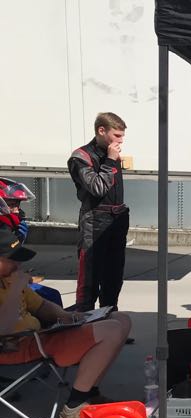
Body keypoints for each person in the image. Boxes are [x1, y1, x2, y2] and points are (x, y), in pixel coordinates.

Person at [0, 225, 132, 418]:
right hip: (15, 345)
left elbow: (41, 305)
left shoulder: (9, 279)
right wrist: (18, 286)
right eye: (12, 259)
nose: (18, 265)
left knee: (121, 319)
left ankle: (90, 392)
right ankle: (74, 405)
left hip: (39, 336)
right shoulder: (13, 282)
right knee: (111, 330)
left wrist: (68, 316)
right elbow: (4, 329)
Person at [68, 112, 129, 311]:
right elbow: (97, 188)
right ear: (101, 131)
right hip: (95, 218)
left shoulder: (111, 154)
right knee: (90, 276)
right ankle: (84, 324)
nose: (120, 140)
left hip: (117, 218)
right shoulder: (81, 156)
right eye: (117, 135)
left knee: (113, 277)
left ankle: (109, 322)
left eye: (122, 136)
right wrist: (111, 161)